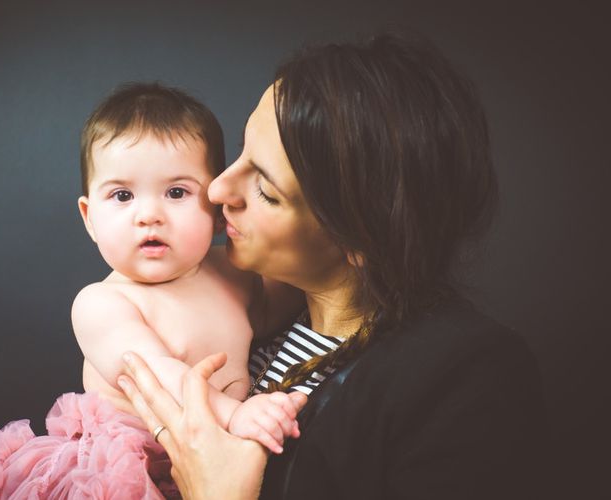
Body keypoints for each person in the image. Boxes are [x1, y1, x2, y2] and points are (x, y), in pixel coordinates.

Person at [116, 33, 549, 499]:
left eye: (266, 190)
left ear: (360, 236)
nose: (218, 190)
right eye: (241, 153)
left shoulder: (466, 378)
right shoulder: (242, 312)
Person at [0, 83, 307, 499]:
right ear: (90, 217)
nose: (149, 215)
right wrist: (236, 416)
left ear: (217, 208)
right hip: (130, 469)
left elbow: (302, 291)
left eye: (177, 192)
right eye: (123, 195)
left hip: (212, 469)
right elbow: (155, 375)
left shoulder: (233, 273)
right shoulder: (102, 304)